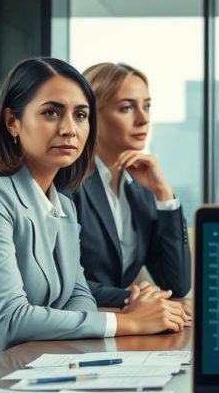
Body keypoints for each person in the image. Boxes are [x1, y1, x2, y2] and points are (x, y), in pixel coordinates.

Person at [0, 58, 186, 373]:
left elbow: (79, 294)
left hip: (39, 365)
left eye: (80, 115)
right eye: (51, 113)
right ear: (12, 122)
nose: (69, 129)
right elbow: (13, 317)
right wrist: (129, 322)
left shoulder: (62, 204)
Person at [67, 62, 191, 311]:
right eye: (127, 108)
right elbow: (64, 284)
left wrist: (164, 194)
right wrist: (131, 298)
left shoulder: (141, 190)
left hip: (122, 323)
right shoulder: (68, 181)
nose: (143, 119)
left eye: (147, 106)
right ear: (90, 114)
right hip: (77, 324)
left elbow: (176, 284)